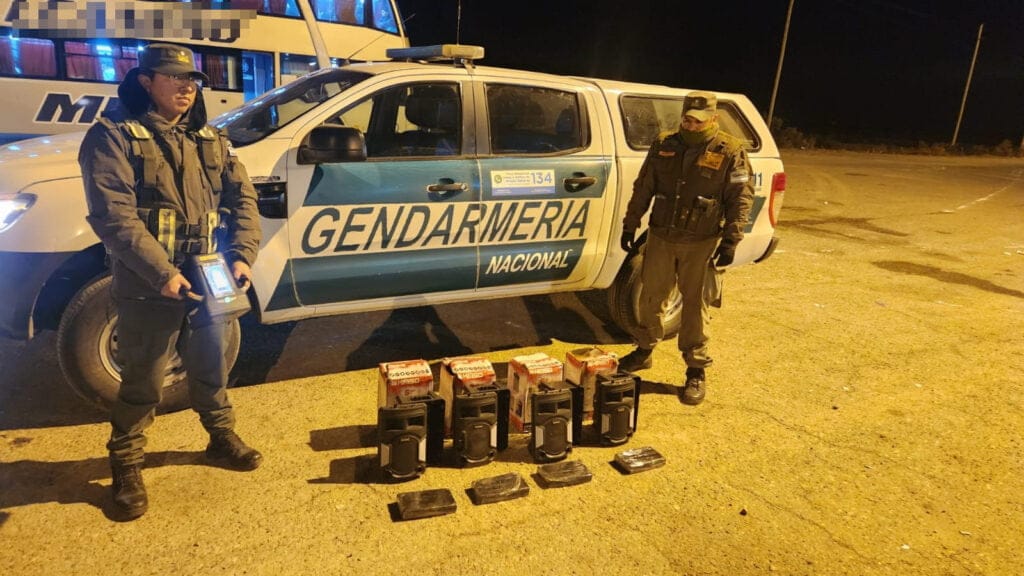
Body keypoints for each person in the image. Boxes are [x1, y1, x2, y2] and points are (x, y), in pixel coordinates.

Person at [78, 43, 262, 519]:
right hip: (149, 281)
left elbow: (243, 200)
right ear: (145, 82)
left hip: (211, 272)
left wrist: (243, 255)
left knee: (212, 364)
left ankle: (220, 436)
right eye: (174, 78)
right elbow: (113, 216)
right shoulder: (113, 137)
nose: (187, 87)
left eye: (192, 80)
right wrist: (163, 273)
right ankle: (126, 462)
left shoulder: (210, 138)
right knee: (144, 377)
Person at [618, 91, 753, 406]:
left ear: (714, 119)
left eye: (698, 122)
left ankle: (696, 368)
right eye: (687, 120)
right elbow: (644, 185)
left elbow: (741, 199)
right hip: (662, 236)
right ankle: (644, 350)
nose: (691, 126)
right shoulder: (665, 144)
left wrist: (731, 240)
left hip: (701, 241)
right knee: (651, 297)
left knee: (694, 305)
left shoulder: (729, 150)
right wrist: (630, 223)